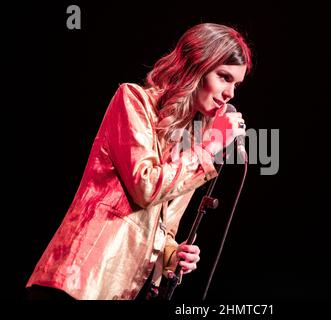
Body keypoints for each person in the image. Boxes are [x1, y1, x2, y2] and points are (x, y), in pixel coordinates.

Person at [26, 22, 252, 300]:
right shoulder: (133, 101)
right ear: (196, 67)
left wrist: (172, 255)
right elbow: (145, 187)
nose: (231, 94)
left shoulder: (191, 143)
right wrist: (211, 146)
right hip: (77, 280)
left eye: (236, 84)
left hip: (119, 290)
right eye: (224, 77)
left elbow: (159, 227)